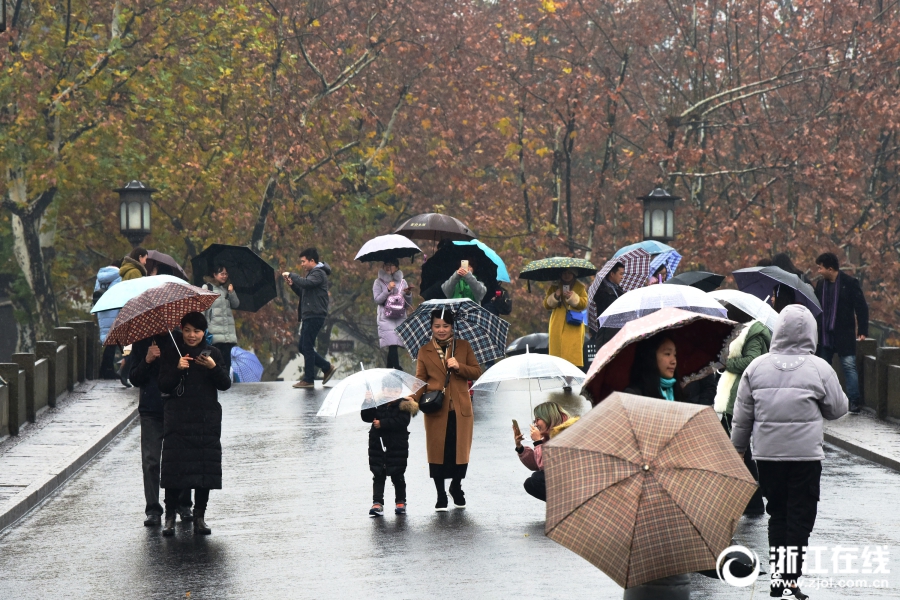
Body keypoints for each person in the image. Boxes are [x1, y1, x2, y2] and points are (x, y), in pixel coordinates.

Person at [731, 305, 848, 599]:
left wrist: (736, 453)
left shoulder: (755, 367)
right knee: (800, 517)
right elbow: (838, 409)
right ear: (811, 333)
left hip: (767, 457)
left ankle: (778, 578)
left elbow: (742, 418)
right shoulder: (820, 368)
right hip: (805, 457)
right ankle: (789, 578)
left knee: (778, 514)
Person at [157, 312, 232, 536]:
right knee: (174, 469)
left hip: (205, 421)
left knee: (203, 470)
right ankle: (169, 516)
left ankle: (200, 517)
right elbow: (163, 385)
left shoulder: (214, 354)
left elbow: (225, 384)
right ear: (182, 329)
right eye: (188, 330)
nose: (192, 335)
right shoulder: (172, 352)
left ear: (204, 332)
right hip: (178, 419)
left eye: (197, 331)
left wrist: (212, 367)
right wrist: (177, 369)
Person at [407, 310, 481, 511]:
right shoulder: (424, 351)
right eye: (437, 326)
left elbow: (476, 371)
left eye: (445, 326)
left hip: (461, 408)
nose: (441, 330)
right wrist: (412, 398)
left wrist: (459, 366)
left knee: (460, 451)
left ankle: (456, 487)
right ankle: (440, 494)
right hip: (436, 408)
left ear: (452, 327)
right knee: (437, 452)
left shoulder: (463, 347)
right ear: (431, 327)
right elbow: (420, 380)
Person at [713, 303, 772, 515]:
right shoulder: (742, 332)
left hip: (740, 396)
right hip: (733, 396)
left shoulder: (754, 333)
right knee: (737, 450)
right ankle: (753, 502)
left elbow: (752, 361)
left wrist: (726, 363)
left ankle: (754, 502)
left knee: (737, 450)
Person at [129, 334, 193, 527]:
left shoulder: (179, 339)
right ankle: (153, 509)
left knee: (180, 458)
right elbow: (134, 378)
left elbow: (191, 374)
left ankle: (184, 505)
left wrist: (180, 365)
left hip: (177, 406)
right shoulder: (141, 342)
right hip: (151, 409)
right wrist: (147, 360)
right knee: (151, 461)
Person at [814, 252, 868, 414]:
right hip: (825, 334)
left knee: (848, 366)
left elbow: (861, 307)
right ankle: (823, 401)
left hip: (844, 333)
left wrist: (862, 331)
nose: (819, 271)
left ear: (830, 269)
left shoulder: (849, 283)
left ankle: (854, 401)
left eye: (820, 268)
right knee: (823, 368)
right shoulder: (821, 285)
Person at [361, 376, 419, 517]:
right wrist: (367, 402)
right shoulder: (376, 403)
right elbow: (366, 417)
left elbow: (402, 421)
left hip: (397, 446)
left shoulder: (404, 404)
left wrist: (383, 423)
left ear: (400, 390)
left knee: (397, 475)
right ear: (382, 389)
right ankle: (377, 502)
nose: (392, 393)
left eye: (395, 390)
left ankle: (400, 501)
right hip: (378, 445)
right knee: (378, 474)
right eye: (388, 390)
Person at [283, 247, 336, 389]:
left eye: (303, 261)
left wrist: (292, 275)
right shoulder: (313, 274)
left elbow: (306, 284)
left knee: (307, 346)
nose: (302, 264)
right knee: (303, 346)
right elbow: (304, 292)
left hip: (315, 314)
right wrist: (293, 285)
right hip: (310, 314)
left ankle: (309, 379)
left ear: (312, 261)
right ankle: (326, 367)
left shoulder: (318, 273)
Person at [513, 401, 579, 502]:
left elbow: (546, 467)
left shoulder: (566, 433)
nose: (535, 424)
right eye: (534, 420)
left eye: (538, 419)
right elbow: (535, 465)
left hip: (578, 481)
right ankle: (564, 508)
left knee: (538, 478)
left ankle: (572, 505)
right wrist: (520, 447)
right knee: (530, 483)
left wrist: (538, 443)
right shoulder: (549, 435)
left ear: (549, 417)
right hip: (567, 480)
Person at [543, 269, 589, 367]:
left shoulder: (580, 287)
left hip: (574, 325)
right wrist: (555, 296)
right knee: (557, 359)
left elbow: (584, 304)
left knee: (572, 357)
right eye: (564, 273)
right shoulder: (554, 287)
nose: (566, 275)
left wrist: (573, 297)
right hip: (557, 324)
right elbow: (546, 305)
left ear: (574, 274)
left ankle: (570, 378)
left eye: (569, 273)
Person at [373, 259, 413, 370]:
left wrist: (408, 294)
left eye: (391, 265)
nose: (388, 267)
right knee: (392, 345)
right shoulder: (378, 282)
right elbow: (377, 300)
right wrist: (388, 289)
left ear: (397, 267)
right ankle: (397, 367)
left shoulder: (402, 282)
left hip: (399, 317)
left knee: (394, 345)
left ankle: (389, 370)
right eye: (386, 264)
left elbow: (407, 304)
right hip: (386, 317)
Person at [623, 333, 684, 402]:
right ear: (650, 357)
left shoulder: (678, 393)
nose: (674, 361)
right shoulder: (634, 395)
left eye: (675, 355)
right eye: (667, 354)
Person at [203, 265, 240, 374]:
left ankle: (225, 385)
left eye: (226, 274)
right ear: (214, 274)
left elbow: (236, 304)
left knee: (226, 364)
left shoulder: (226, 289)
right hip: (213, 335)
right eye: (222, 273)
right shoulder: (207, 288)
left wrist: (231, 292)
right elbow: (202, 310)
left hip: (227, 336)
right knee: (212, 363)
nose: (224, 276)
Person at [94, 259, 122, 380]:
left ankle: (105, 369)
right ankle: (107, 369)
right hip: (114, 309)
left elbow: (95, 293)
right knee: (112, 341)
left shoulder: (100, 277)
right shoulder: (120, 276)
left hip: (102, 309)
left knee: (107, 341)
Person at [591, 262, 624, 347]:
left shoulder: (619, 290)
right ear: (612, 274)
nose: (622, 277)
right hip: (606, 334)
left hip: (619, 332)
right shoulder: (601, 291)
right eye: (620, 274)